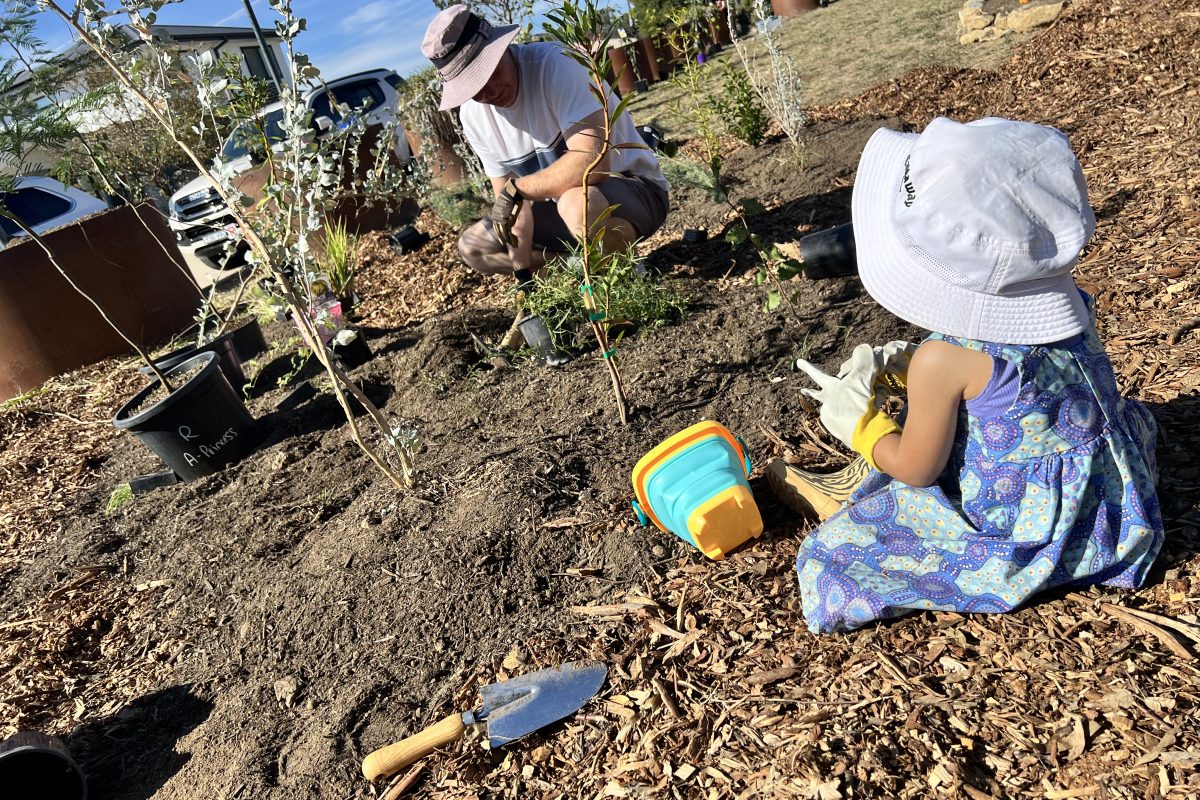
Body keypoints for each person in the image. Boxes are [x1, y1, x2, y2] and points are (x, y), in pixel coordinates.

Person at [776, 117, 1163, 634]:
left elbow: (916, 469)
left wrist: (862, 428)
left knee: (830, 555)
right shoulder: (1069, 303)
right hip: (1115, 503)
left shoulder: (942, 361)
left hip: (1034, 525)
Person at [420, 4, 670, 278]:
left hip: (634, 191)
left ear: (501, 47)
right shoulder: (473, 117)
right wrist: (522, 277)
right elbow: (511, 207)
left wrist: (519, 189)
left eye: (489, 74)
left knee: (577, 203)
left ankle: (625, 280)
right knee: (474, 247)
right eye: (474, 88)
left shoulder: (556, 65)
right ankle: (578, 267)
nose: (488, 92)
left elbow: (593, 163)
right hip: (562, 212)